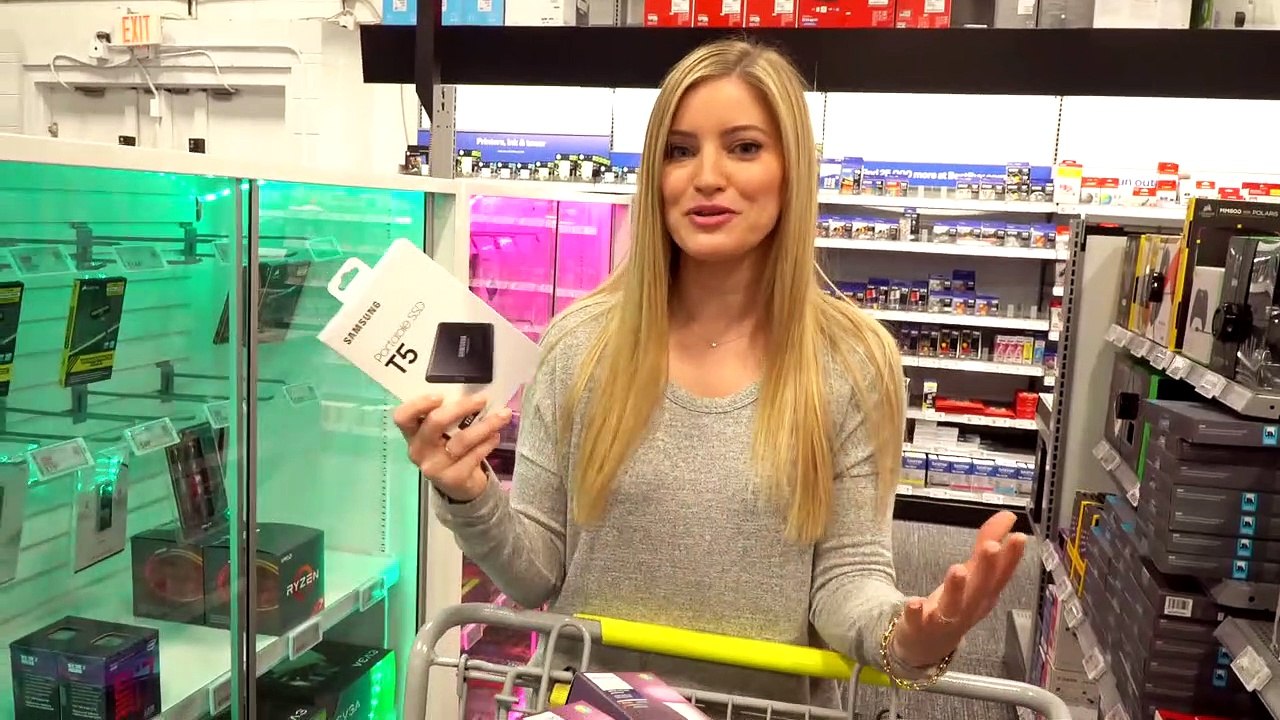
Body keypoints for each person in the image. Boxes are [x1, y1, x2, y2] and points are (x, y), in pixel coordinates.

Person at [394, 38, 1027, 708]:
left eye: (744, 147)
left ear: (792, 170)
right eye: (680, 150)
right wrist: (469, 494)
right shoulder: (581, 344)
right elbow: (535, 572)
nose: (706, 176)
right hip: (593, 707)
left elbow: (848, 580)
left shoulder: (852, 360)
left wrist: (916, 635)